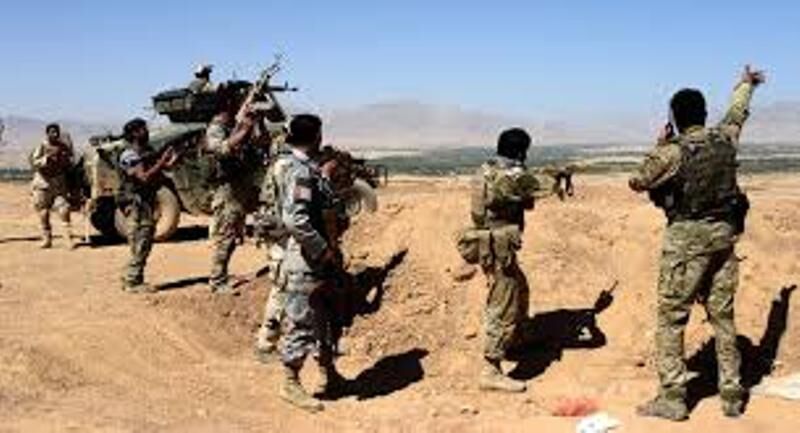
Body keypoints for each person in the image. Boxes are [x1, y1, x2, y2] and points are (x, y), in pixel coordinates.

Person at [630, 65, 766, 421]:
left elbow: (639, 180)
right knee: (723, 318)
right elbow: (737, 113)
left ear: (675, 118)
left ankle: (673, 399)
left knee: (671, 319)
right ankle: (732, 395)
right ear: (704, 114)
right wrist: (746, 85)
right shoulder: (725, 138)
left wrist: (661, 143)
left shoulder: (672, 152)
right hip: (723, 238)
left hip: (686, 243)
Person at [275, 114, 346, 413]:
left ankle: (329, 374)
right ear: (316, 136)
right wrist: (322, 250)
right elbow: (296, 220)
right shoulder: (300, 172)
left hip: (316, 260)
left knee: (324, 321)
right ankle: (290, 382)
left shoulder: (304, 168)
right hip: (306, 260)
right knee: (302, 320)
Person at [470, 128, 540, 393]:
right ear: (521, 152)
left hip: (491, 242)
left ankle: (517, 340)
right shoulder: (508, 177)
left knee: (519, 289)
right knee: (503, 305)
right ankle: (491, 369)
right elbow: (531, 198)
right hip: (500, 247)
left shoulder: (486, 170)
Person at [205, 92, 269, 294]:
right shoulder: (215, 129)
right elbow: (221, 150)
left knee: (234, 236)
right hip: (227, 189)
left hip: (241, 186)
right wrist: (245, 128)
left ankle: (221, 276)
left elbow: (262, 143)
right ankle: (217, 280)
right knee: (226, 236)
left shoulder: (236, 125)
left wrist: (257, 123)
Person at [117, 118, 178, 293]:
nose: (147, 131)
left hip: (147, 202)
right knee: (141, 240)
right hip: (137, 203)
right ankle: (132, 281)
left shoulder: (146, 152)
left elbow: (158, 172)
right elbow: (143, 177)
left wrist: (171, 161)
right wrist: (161, 162)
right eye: (143, 129)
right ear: (135, 133)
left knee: (145, 239)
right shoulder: (129, 155)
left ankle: (131, 276)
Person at [29, 123, 76, 249]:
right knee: (43, 212)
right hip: (43, 183)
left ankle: (68, 238)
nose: (54, 134)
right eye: (52, 132)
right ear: (47, 133)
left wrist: (64, 159)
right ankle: (47, 239)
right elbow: (34, 162)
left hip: (59, 183)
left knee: (64, 210)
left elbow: (70, 162)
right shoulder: (42, 146)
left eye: (56, 132)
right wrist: (46, 159)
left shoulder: (63, 147)